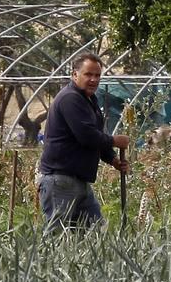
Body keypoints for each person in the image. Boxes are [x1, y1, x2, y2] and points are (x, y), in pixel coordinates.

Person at [37, 53, 130, 231]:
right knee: (57, 236)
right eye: (88, 74)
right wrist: (114, 140)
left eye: (97, 75)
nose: (93, 79)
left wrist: (113, 160)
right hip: (60, 180)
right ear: (75, 75)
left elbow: (95, 135)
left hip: (79, 182)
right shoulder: (70, 98)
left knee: (95, 232)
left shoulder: (89, 100)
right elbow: (86, 135)